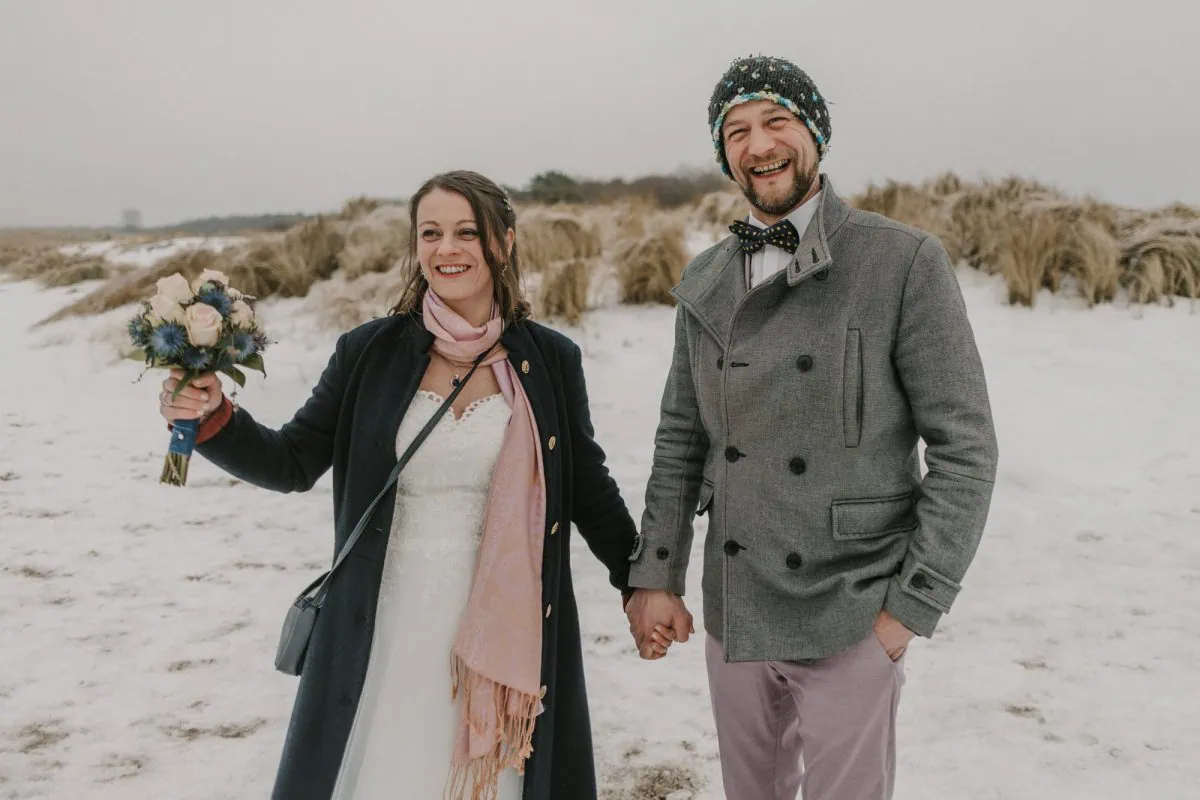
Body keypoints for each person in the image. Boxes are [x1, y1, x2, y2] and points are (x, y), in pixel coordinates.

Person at [157, 170, 643, 800]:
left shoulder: (550, 360)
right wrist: (215, 420)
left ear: (504, 242)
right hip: (385, 621)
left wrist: (641, 580)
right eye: (431, 233)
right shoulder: (368, 352)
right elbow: (292, 461)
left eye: (467, 232)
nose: (448, 249)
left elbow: (588, 487)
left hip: (505, 628)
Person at [624, 56, 1000, 800]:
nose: (758, 145)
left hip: (852, 608)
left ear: (816, 134)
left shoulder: (902, 261)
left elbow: (966, 449)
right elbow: (682, 442)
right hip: (736, 604)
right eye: (736, 131)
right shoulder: (704, 279)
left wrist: (908, 610)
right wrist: (656, 574)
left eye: (777, 122)